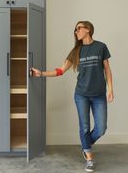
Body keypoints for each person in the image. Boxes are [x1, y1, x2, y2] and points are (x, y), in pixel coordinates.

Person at [31, 21, 114, 172]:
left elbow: (107, 69)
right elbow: (60, 70)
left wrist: (110, 89)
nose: (76, 32)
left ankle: (85, 145)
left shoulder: (101, 47)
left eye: (78, 28)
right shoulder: (76, 51)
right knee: (85, 127)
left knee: (101, 128)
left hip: (99, 95)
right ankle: (89, 159)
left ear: (87, 29)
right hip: (81, 94)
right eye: (75, 30)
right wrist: (41, 73)